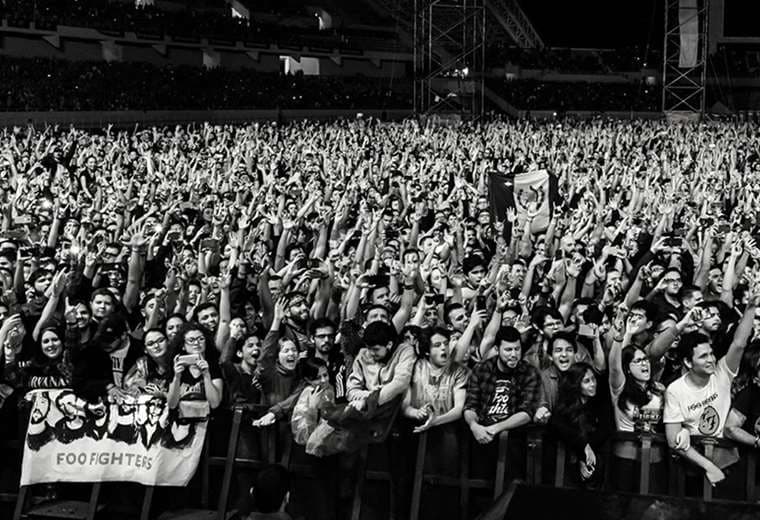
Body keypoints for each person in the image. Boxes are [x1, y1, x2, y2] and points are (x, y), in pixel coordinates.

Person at [663, 286, 759, 486]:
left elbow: (739, 344)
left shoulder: (722, 372)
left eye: (711, 354)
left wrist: (750, 308)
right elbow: (674, 440)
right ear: (688, 362)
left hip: (729, 460)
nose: (711, 360)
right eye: (703, 356)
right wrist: (708, 466)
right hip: (694, 467)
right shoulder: (675, 390)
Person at [551, 363, 612, 486]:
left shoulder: (600, 404)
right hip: (567, 464)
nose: (593, 384)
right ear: (576, 384)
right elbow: (559, 427)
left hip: (596, 461)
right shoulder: (566, 407)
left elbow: (603, 432)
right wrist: (583, 447)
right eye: (587, 381)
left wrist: (584, 457)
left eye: (593, 379)